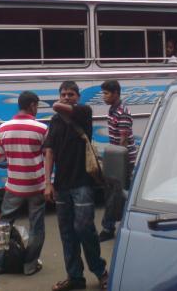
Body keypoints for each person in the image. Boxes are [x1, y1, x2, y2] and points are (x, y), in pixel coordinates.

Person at [44, 81, 108, 291]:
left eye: (71, 94)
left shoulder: (84, 112)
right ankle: (75, 277)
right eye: (63, 94)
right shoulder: (55, 121)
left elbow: (57, 106)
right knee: (67, 232)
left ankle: (100, 271)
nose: (67, 97)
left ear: (78, 97)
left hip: (82, 182)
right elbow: (49, 152)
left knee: (84, 228)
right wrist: (48, 183)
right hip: (62, 184)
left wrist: (58, 103)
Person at [0, 91, 48, 276]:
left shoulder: (3, 128)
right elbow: (48, 156)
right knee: (37, 226)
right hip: (36, 185)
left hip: (14, 185)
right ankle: (30, 265)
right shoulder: (41, 128)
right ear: (33, 105)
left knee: (2, 224)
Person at [98, 80, 136, 242]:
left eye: (106, 93)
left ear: (115, 93)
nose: (104, 96)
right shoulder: (113, 110)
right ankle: (113, 225)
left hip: (123, 160)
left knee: (117, 195)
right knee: (115, 194)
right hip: (116, 157)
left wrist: (118, 164)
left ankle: (108, 228)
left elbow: (123, 141)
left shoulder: (122, 112)